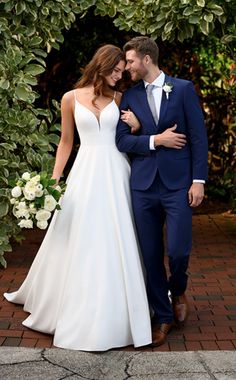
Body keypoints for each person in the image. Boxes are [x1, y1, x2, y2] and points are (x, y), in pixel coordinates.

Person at [4, 44, 152, 351]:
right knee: (77, 234)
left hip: (116, 173)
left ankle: (124, 306)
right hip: (84, 172)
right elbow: (66, 143)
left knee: (118, 235)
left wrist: (137, 127)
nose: (118, 76)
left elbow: (129, 138)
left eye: (121, 72)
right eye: (114, 70)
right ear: (101, 65)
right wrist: (54, 180)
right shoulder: (70, 98)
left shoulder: (122, 99)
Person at [116, 36, 208, 347]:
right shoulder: (128, 97)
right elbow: (121, 142)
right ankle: (163, 315)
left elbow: (197, 137)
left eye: (130, 61)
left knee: (179, 250)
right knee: (150, 253)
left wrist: (199, 181)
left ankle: (177, 288)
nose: (126, 66)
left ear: (146, 58)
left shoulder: (182, 89)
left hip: (178, 184)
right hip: (142, 186)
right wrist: (155, 139)